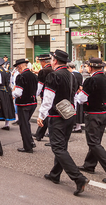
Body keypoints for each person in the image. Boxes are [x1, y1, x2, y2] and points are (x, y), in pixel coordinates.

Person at [37, 49, 89, 196]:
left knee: (58, 148)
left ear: (54, 61)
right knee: (62, 145)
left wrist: (41, 116)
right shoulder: (71, 75)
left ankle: (79, 178)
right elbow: (74, 96)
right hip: (69, 114)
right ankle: (55, 174)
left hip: (57, 116)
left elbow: (48, 98)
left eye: (52, 59)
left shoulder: (53, 75)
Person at [76, 57, 106, 182]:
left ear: (90, 67)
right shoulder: (104, 78)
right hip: (103, 112)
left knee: (93, 142)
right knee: (96, 140)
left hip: (93, 113)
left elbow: (81, 99)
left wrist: (79, 93)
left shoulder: (91, 80)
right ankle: (89, 165)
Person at [12, 58, 38, 153]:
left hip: (23, 104)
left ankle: (27, 146)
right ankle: (30, 142)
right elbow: (37, 89)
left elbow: (18, 93)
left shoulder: (21, 76)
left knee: (24, 125)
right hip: (33, 102)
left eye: (17, 67)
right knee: (27, 123)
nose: (17, 69)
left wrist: (12, 94)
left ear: (20, 66)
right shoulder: (34, 76)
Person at [33, 53, 53, 142]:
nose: (40, 63)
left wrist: (35, 95)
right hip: (54, 95)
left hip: (46, 94)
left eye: (40, 61)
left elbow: (40, 86)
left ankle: (40, 134)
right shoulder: (54, 69)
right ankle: (39, 133)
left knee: (46, 114)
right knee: (48, 114)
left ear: (43, 61)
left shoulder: (43, 71)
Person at [0, 57, 15, 130]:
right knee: (6, 107)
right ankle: (7, 124)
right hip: (7, 90)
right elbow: (10, 82)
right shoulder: (8, 72)